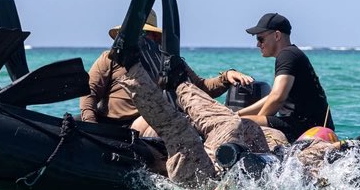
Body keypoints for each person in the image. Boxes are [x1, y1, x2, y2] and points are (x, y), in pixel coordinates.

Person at [111, 41, 270, 190]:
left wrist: (223, 78)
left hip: (200, 175)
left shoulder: (165, 58)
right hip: (144, 129)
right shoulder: (108, 61)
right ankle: (178, 82)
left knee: (184, 127)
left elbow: (201, 86)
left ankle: (139, 69)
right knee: (240, 125)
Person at [80, 10, 254, 129]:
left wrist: (226, 76)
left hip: (156, 124)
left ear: (154, 37)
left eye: (142, 34)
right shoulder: (110, 57)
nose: (136, 39)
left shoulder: (169, 62)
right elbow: (89, 91)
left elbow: (200, 88)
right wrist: (90, 125)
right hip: (116, 126)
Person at [237, 12, 334, 142]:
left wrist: (257, 126)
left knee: (240, 124)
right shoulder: (291, 54)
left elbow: (278, 98)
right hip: (308, 124)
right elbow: (272, 97)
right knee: (237, 118)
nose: (258, 45)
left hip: (306, 127)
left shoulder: (287, 55)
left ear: (277, 35)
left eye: (260, 39)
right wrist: (238, 113)